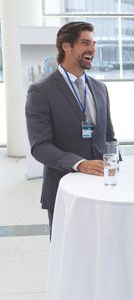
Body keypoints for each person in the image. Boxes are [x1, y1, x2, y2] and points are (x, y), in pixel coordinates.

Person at [25, 21, 116, 235]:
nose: (92, 49)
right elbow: (40, 146)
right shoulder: (41, 91)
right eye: (85, 43)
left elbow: (109, 137)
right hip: (64, 190)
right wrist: (80, 164)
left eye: (94, 43)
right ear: (66, 46)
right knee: (68, 260)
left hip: (105, 190)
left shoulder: (100, 88)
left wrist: (118, 169)